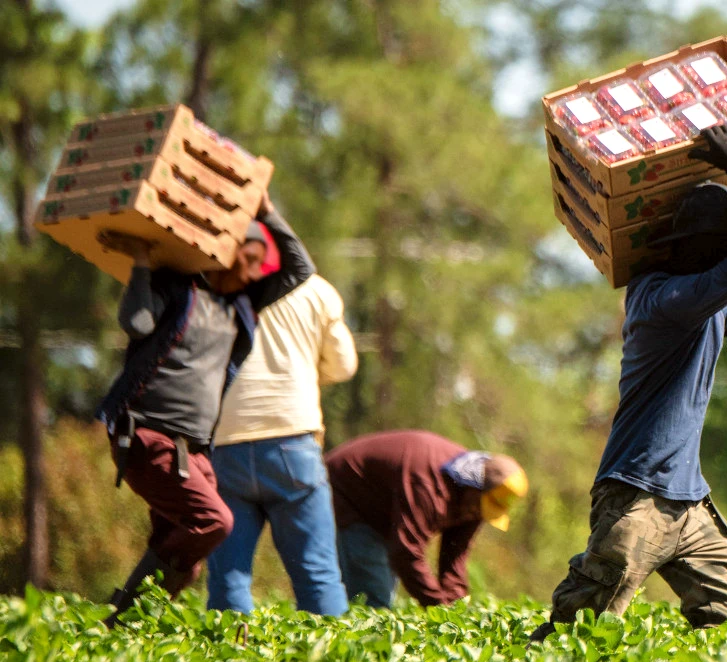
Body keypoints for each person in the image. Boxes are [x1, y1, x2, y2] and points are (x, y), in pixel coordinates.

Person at [531, 124, 727, 642]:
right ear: (717, 251)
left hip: (688, 502)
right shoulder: (666, 300)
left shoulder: (700, 300)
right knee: (578, 632)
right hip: (637, 498)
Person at [95, 192, 314, 627]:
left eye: (259, 264)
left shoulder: (242, 308)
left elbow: (300, 269)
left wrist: (268, 210)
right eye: (248, 258)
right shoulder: (177, 289)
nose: (254, 272)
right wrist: (141, 261)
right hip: (147, 437)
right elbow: (136, 324)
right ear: (222, 254)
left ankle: (122, 631)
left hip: (193, 452)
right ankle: (121, 621)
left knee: (185, 558)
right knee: (213, 522)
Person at [204, 260, 359, 616]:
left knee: (229, 576)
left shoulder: (215, 285)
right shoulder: (315, 289)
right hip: (291, 440)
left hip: (227, 440)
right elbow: (344, 366)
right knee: (317, 574)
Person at [324, 430, 528, 608]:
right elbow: (405, 552)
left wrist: (456, 612)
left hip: (385, 514)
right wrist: (438, 607)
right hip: (347, 494)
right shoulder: (429, 485)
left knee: (383, 593)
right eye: (481, 506)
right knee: (374, 600)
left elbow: (454, 557)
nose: (478, 514)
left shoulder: (473, 501)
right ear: (474, 485)